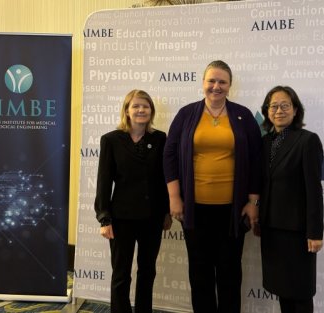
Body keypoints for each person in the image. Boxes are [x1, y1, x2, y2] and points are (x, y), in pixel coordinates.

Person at [163, 60, 262, 313]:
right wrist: (174, 197)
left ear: (230, 86)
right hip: (194, 211)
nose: (216, 86)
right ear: (203, 83)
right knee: (200, 271)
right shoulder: (187, 114)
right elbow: (170, 155)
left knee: (230, 272)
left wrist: (252, 202)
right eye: (211, 81)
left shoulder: (243, 115)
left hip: (232, 211)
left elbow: (256, 160)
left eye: (222, 82)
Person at [94, 89, 172, 313]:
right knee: (121, 273)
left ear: (151, 111)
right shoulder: (110, 140)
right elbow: (103, 182)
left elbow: (163, 179)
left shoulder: (160, 138)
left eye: (145, 106)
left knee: (147, 271)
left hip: (153, 217)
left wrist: (166, 212)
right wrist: (104, 218)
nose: (141, 110)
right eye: (136, 106)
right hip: (121, 218)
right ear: (127, 111)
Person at [258, 85, 324, 313]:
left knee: (301, 293)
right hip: (271, 230)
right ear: (267, 112)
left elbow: (314, 190)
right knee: (282, 290)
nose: (279, 110)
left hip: (297, 233)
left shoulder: (308, 141)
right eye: (273, 106)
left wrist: (315, 232)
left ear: (295, 110)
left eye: (285, 105)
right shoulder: (264, 143)